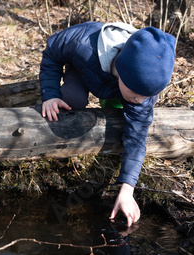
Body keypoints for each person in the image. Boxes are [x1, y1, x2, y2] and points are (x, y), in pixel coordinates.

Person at [39, 21, 176, 227]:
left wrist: (127, 189)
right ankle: (87, 94)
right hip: (85, 67)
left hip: (114, 85)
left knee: (122, 116)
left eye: (146, 96)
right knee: (72, 101)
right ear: (122, 71)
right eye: (137, 94)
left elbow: (137, 139)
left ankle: (112, 99)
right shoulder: (81, 43)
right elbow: (51, 52)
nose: (140, 100)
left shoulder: (142, 93)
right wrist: (49, 94)